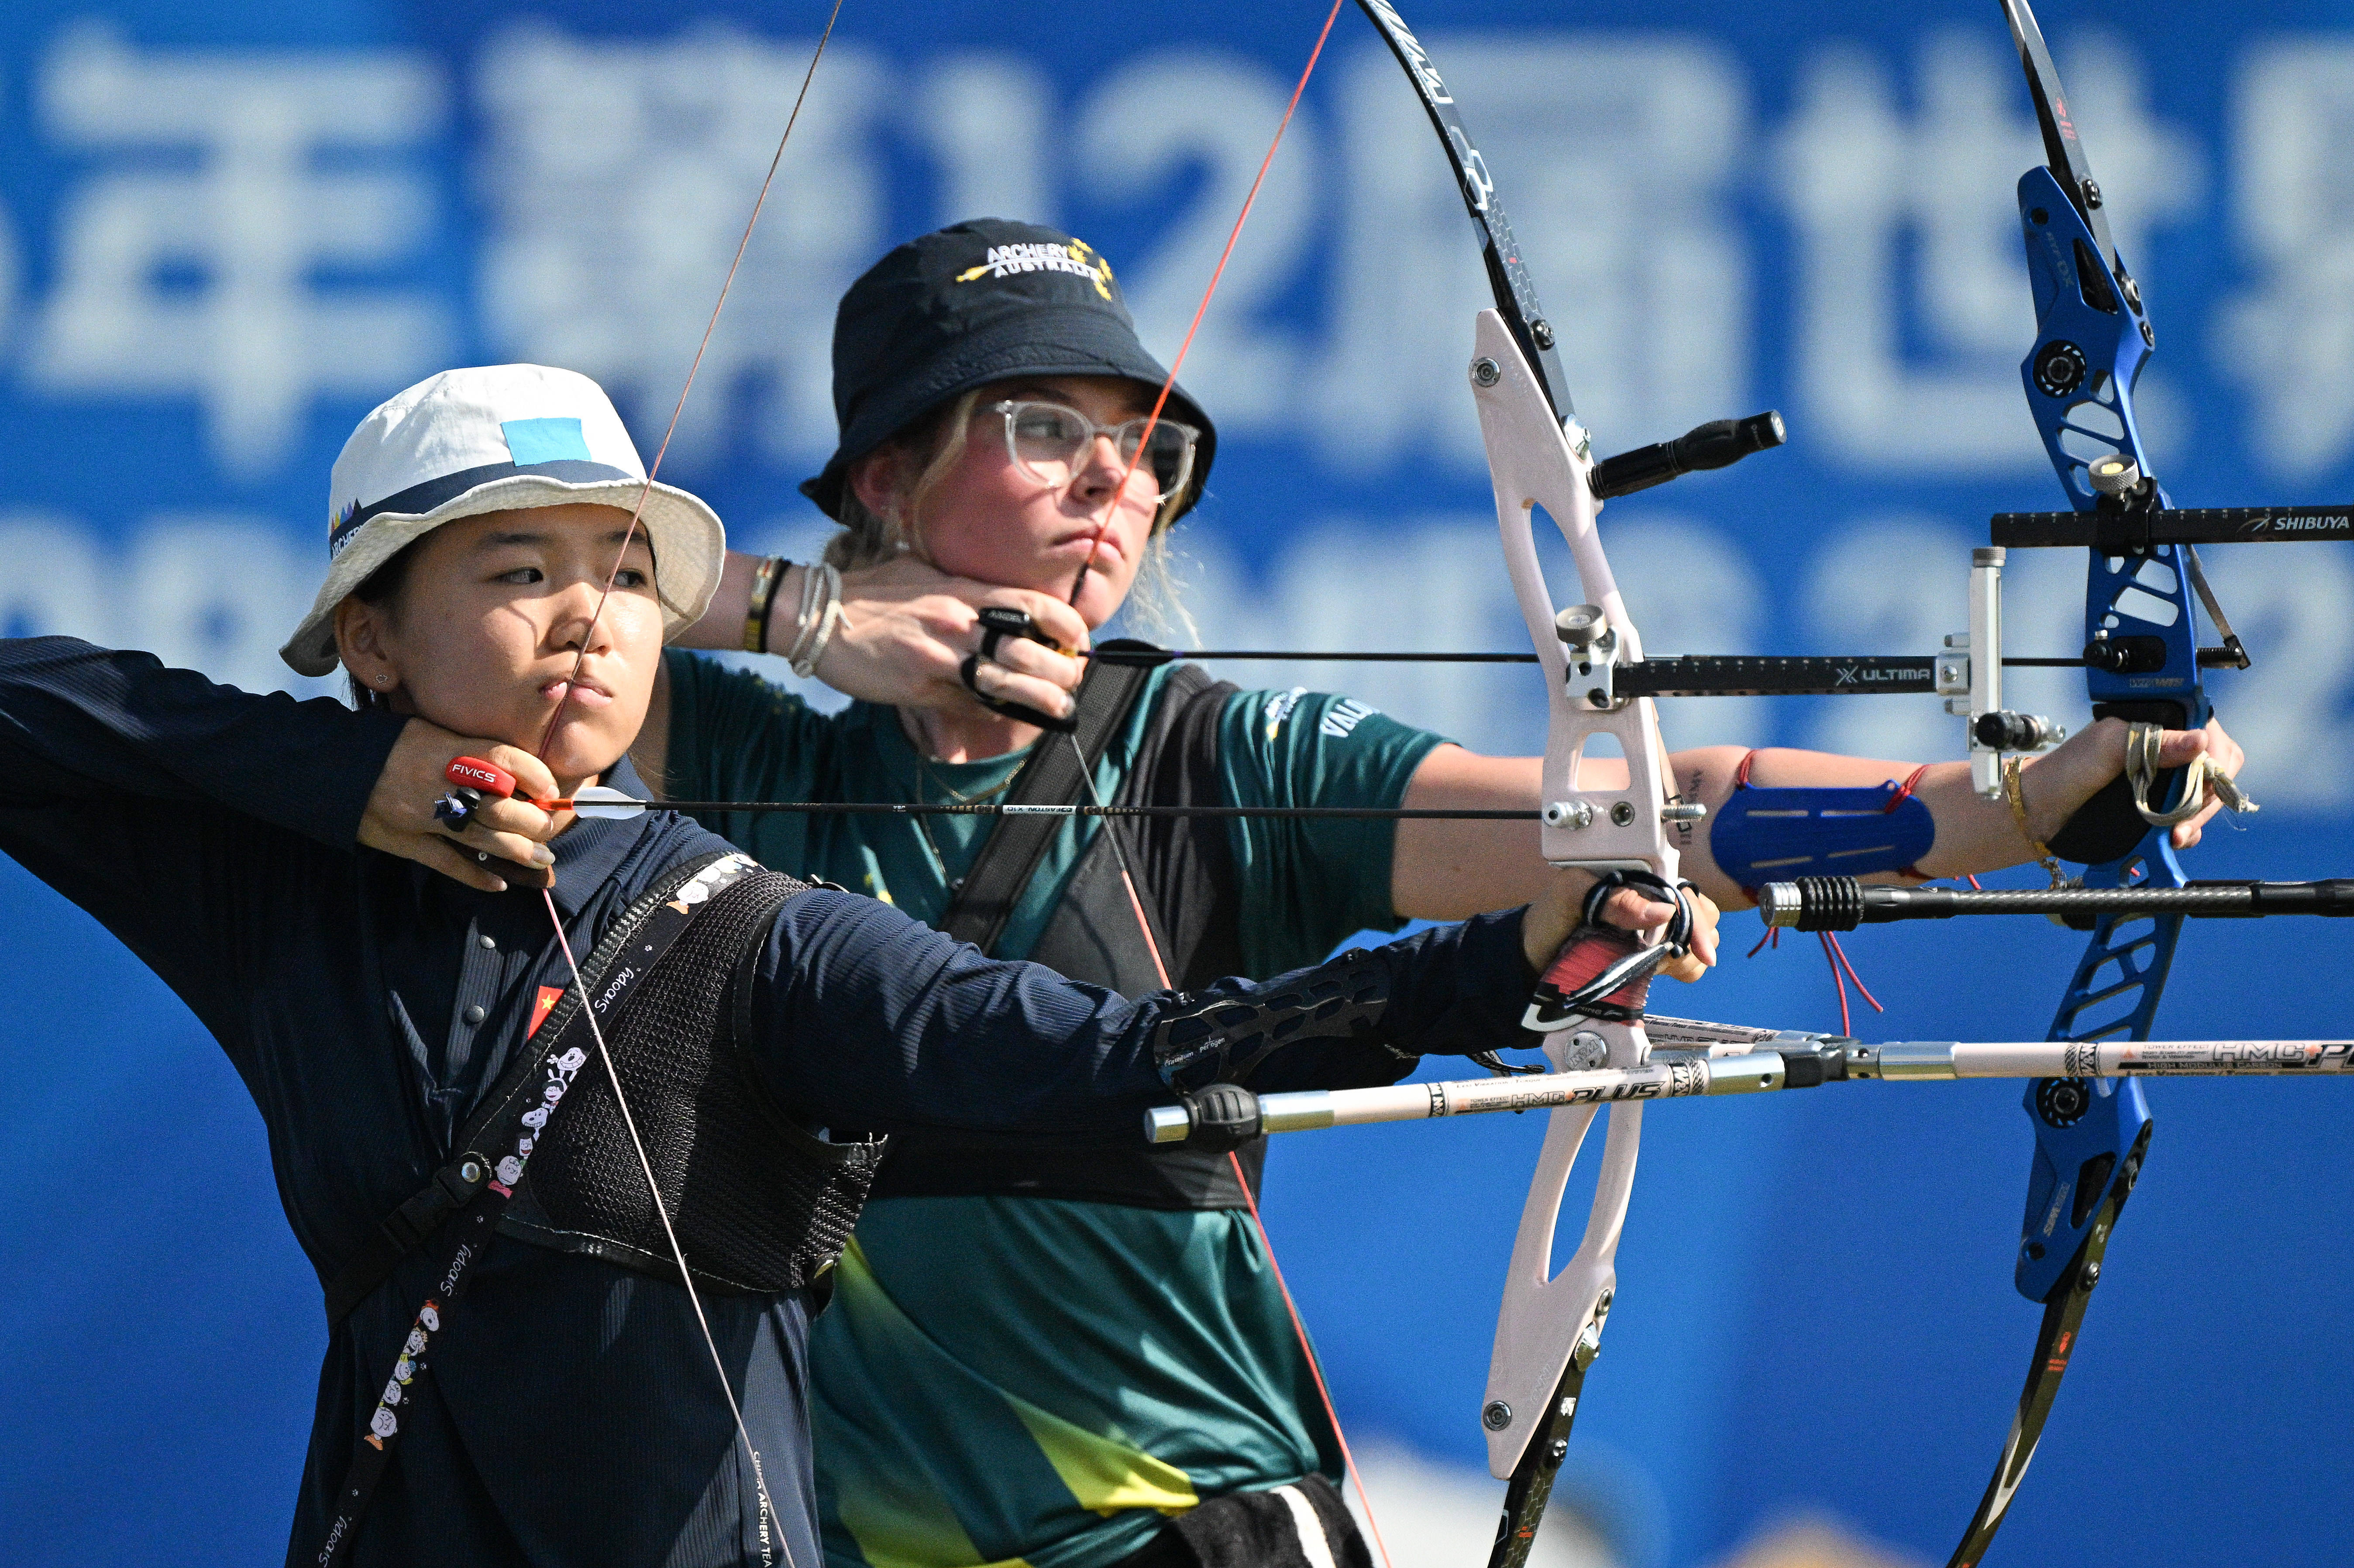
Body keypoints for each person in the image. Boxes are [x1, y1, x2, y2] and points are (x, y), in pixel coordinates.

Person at [349, 223, 2247, 1568]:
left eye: (1147, 450)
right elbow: (509, 581)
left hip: (1190, 1531)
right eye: (1043, 432)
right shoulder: (746, 756)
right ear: (885, 475)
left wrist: (2016, 805)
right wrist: (810, 614)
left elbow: (1647, 809)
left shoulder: (1203, 763)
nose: (1119, 487)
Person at [0, 362, 1720, 1568]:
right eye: (520, 570)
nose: (593, 612)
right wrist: (351, 777)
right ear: (371, 634)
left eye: (624, 573)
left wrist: (1494, 970)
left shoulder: (746, 923)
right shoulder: (290, 904)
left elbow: (1113, 1063)